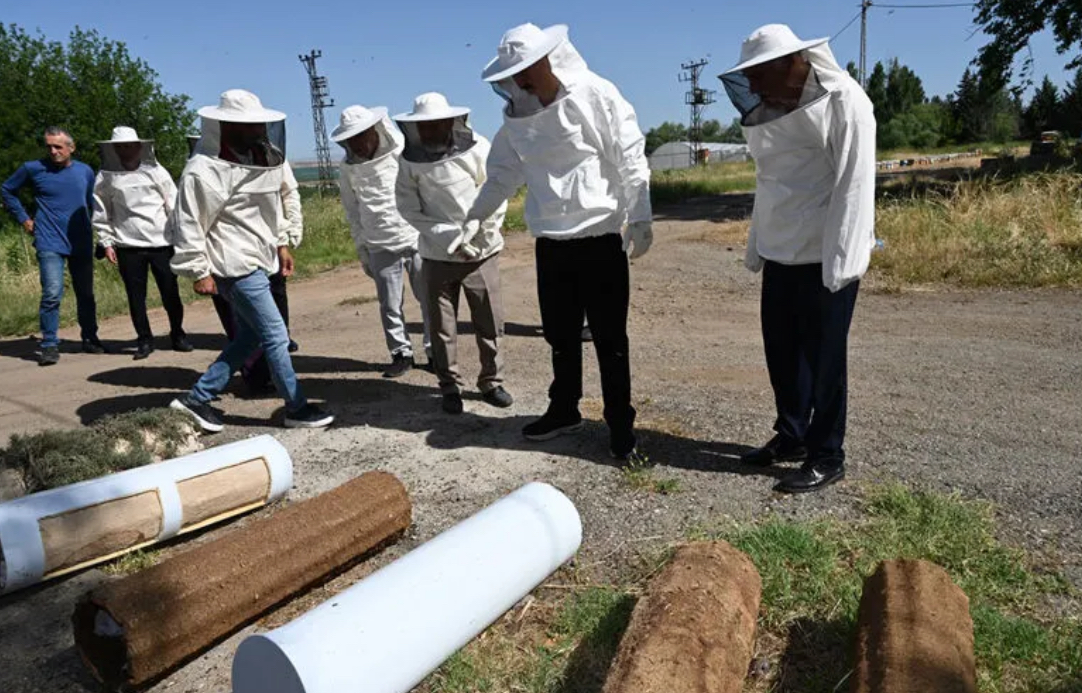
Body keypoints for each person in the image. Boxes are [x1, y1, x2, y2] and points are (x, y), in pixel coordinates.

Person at [466, 23, 652, 463]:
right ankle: (564, 409)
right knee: (560, 336)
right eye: (515, 75)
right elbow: (502, 175)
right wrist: (473, 217)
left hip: (599, 238)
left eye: (527, 71)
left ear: (549, 58)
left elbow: (629, 153)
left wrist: (640, 215)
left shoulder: (596, 93)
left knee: (610, 340)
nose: (521, 82)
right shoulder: (517, 113)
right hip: (551, 241)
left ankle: (620, 424)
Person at [719, 24, 876, 493]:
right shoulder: (772, 109)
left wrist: (843, 264)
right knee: (784, 354)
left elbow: (855, 185)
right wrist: (757, 246)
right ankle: (792, 437)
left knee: (826, 360)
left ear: (793, 63)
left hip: (826, 255)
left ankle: (828, 454)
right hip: (781, 252)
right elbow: (770, 183)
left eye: (758, 73)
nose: (751, 87)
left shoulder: (846, 101)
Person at [168, 89, 333, 432]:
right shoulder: (203, 169)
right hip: (232, 263)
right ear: (226, 126)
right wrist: (198, 270)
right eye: (250, 125)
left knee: (251, 338)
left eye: (260, 124)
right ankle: (296, 408)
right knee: (275, 334)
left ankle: (197, 398)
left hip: (259, 257)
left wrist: (282, 244)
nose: (259, 130)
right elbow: (188, 221)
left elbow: (271, 208)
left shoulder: (263, 156)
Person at [394, 93, 511, 414]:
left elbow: (496, 193)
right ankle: (449, 387)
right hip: (436, 256)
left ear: (450, 122)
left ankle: (492, 382)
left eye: (435, 124)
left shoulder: (479, 149)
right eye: (424, 127)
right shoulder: (409, 161)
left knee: (489, 321)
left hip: (482, 253)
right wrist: (446, 235)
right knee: (442, 328)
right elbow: (407, 207)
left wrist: (479, 232)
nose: (430, 131)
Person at [333, 104, 432, 378]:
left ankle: (435, 350)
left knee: (428, 298)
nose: (357, 143)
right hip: (378, 243)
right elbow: (352, 210)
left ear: (375, 131)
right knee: (389, 304)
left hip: (415, 237)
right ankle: (401, 353)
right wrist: (362, 249)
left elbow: (422, 192)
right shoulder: (348, 168)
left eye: (360, 136)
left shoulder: (402, 154)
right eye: (350, 139)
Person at [2, 126, 104, 365]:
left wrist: (101, 234)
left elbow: (93, 204)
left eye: (58, 146)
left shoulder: (85, 171)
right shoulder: (33, 168)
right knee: (52, 292)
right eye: (49, 146)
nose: (53, 151)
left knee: (86, 293)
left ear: (71, 147)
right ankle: (49, 344)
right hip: (49, 239)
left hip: (80, 239)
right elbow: (7, 190)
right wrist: (24, 219)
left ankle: (90, 338)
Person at [92, 126, 192, 360]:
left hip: (161, 243)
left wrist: (180, 237)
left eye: (129, 146)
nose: (126, 150)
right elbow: (101, 212)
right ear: (114, 149)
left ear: (139, 147)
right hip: (128, 246)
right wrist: (106, 242)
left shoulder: (156, 172)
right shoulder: (106, 176)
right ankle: (144, 340)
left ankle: (178, 335)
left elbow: (174, 205)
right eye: (121, 147)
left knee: (170, 293)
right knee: (136, 297)